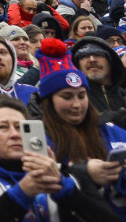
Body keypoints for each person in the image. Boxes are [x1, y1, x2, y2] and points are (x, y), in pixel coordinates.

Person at [0, 94, 119, 222]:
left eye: (21, 127)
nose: (14, 134)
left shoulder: (67, 176)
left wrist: (66, 191)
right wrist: (19, 195)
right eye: (3, 127)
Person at [33, 39, 126, 214]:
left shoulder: (112, 131)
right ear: (50, 101)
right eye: (67, 97)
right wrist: (83, 173)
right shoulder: (37, 136)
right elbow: (35, 191)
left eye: (81, 95)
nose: (77, 104)